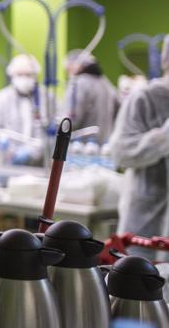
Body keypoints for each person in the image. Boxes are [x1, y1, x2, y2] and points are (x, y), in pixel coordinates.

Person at [109, 42, 169, 259]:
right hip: (145, 219)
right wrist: (162, 138)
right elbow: (120, 152)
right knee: (140, 283)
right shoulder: (146, 98)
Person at [0, 53, 45, 166]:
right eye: (19, 74)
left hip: (40, 165)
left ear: (35, 75)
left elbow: (54, 133)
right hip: (8, 163)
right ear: (12, 75)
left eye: (28, 74)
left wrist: (33, 152)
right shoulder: (2, 97)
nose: (24, 78)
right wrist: (2, 141)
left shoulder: (46, 98)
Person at [65, 50, 120, 143]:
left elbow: (72, 120)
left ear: (77, 65)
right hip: (105, 143)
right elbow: (118, 110)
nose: (68, 73)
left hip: (82, 145)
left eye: (68, 68)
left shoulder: (79, 83)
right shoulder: (106, 83)